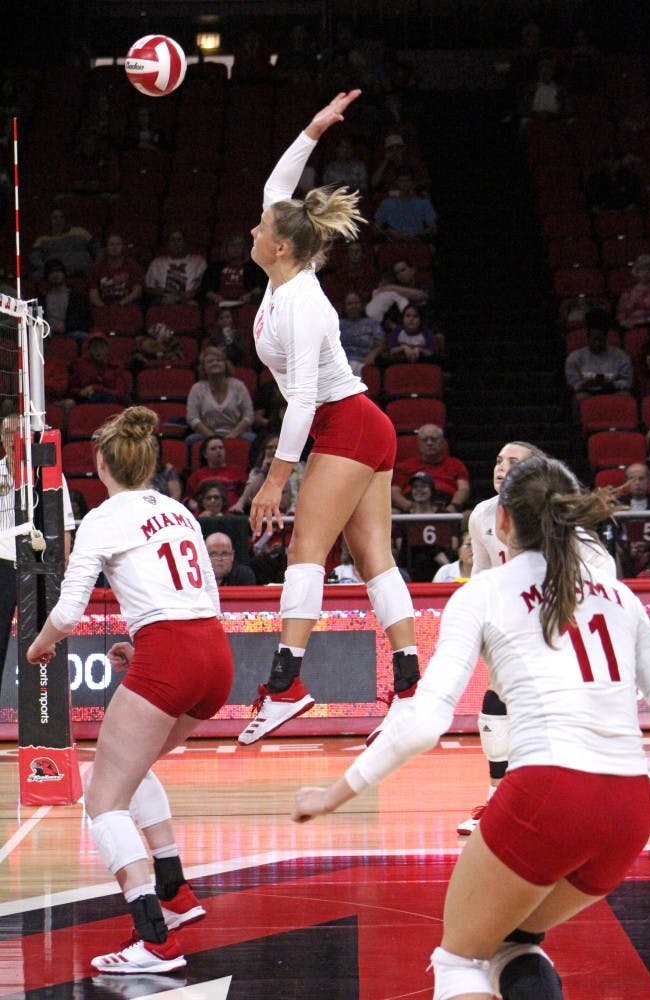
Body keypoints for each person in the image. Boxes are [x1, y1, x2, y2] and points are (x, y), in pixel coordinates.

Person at [293, 454, 650, 1000]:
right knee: (515, 941)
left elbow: (425, 720)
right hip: (632, 807)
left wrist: (336, 792)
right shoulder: (621, 596)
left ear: (502, 523)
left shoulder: (484, 592)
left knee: (459, 961)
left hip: (551, 792)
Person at [236, 90, 425, 746]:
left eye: (262, 230)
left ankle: (284, 686)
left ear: (282, 248)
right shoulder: (281, 279)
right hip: (358, 422)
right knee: (373, 558)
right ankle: (410, 690)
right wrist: (313, 127)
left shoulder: (303, 306)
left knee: (304, 551)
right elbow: (276, 185)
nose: (253, 231)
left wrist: (271, 480)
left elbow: (305, 402)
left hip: (344, 421)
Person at [26, 406, 234, 975]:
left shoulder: (101, 518)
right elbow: (197, 601)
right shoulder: (181, 512)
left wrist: (39, 645)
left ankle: (155, 940)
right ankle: (176, 894)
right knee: (131, 770)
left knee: (102, 799)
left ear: (101, 463)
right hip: (214, 655)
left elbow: (68, 612)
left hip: (171, 656)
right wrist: (149, 652)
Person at [459, 440, 617, 837]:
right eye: (497, 460)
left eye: (513, 462)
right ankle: (497, 800)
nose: (501, 467)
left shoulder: (563, 522)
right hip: (512, 618)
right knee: (496, 701)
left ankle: (579, 799)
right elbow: (481, 570)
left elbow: (603, 570)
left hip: (561, 618)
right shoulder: (481, 516)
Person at [0, 414, 75, 700]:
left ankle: (50, 708)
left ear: (27, 439)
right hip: (3, 567)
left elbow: (65, 528)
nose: (12, 440)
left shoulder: (48, 475)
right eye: (6, 433)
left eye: (17, 434)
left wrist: (60, 575)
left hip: (40, 568)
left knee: (43, 647)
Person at [565, 307, 633, 412]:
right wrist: (584, 384)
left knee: (626, 396)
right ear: (588, 337)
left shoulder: (620, 356)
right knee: (579, 399)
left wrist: (613, 384)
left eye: (601, 340)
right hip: (587, 392)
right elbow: (572, 383)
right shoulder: (575, 357)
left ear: (606, 337)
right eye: (594, 340)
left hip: (613, 390)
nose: (598, 344)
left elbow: (627, 381)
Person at [391, 424, 470, 515]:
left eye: (434, 439)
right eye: (425, 440)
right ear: (419, 443)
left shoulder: (456, 464)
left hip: (446, 507)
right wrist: (410, 507)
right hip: (412, 506)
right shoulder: (404, 466)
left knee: (469, 515)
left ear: (442, 442)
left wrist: (453, 507)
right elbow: (394, 491)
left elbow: (464, 489)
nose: (429, 443)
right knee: (391, 514)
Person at [185, 346, 254, 445]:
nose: (215, 363)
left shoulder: (239, 386)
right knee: (190, 440)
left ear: (225, 364)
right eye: (210, 361)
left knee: (253, 439)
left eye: (219, 360)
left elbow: (249, 416)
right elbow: (192, 419)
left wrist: (232, 435)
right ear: (203, 367)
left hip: (237, 433)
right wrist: (212, 437)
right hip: (207, 435)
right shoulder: (197, 389)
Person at [30, 206, 96, 283]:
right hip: (56, 272)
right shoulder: (42, 239)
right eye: (55, 218)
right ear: (49, 221)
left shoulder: (81, 232)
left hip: (81, 269)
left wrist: (96, 265)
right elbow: (35, 258)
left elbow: (97, 250)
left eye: (61, 217)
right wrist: (46, 269)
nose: (59, 220)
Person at [374, 165, 438, 242]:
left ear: (413, 182)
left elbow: (433, 229)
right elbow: (375, 229)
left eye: (408, 181)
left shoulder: (423, 203)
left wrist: (417, 233)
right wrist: (388, 232)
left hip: (417, 242)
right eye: (401, 181)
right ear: (397, 182)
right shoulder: (387, 203)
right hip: (393, 244)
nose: (405, 184)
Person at [185, 436, 248, 511]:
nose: (218, 451)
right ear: (205, 454)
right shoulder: (196, 475)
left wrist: (239, 505)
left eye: (221, 448)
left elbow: (246, 494)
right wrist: (199, 509)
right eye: (213, 449)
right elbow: (189, 499)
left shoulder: (238, 471)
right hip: (205, 515)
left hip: (232, 513)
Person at [68, 331, 132, 405]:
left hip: (111, 402)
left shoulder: (116, 367)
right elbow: (73, 389)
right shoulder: (81, 365)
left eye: (101, 347)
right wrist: (81, 392)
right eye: (94, 347)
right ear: (89, 350)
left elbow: (120, 393)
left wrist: (97, 388)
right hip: (87, 400)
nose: (98, 350)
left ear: (107, 349)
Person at [145, 230, 206, 306]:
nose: (176, 243)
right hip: (163, 299)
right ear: (167, 244)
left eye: (179, 240)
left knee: (193, 304)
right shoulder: (157, 262)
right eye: (172, 240)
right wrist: (162, 293)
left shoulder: (198, 261)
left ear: (185, 243)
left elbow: (204, 285)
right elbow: (148, 288)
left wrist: (192, 293)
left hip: (189, 299)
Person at [38, 257, 91, 341]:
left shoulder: (77, 297)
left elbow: (84, 320)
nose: (55, 275)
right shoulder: (41, 298)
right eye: (52, 272)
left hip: (71, 333)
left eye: (58, 271)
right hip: (47, 334)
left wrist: (66, 326)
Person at [88, 232, 144, 309]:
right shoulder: (97, 268)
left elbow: (137, 291)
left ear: (123, 247)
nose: (115, 247)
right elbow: (93, 294)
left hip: (126, 305)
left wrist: (120, 304)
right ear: (106, 247)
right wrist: (103, 307)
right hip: (104, 306)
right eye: (111, 244)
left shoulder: (132, 266)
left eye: (118, 244)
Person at [338, 290, 385, 375]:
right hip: (342, 362)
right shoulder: (337, 324)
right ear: (344, 306)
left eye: (356, 303)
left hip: (364, 361)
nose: (353, 306)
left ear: (362, 305)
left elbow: (380, 345)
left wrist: (373, 354)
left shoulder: (372, 323)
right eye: (350, 304)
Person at [616, 254, 650, 332]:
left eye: (649, 269)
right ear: (637, 271)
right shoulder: (628, 292)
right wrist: (625, 322)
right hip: (631, 328)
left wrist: (646, 321)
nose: (646, 272)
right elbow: (621, 314)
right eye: (642, 269)